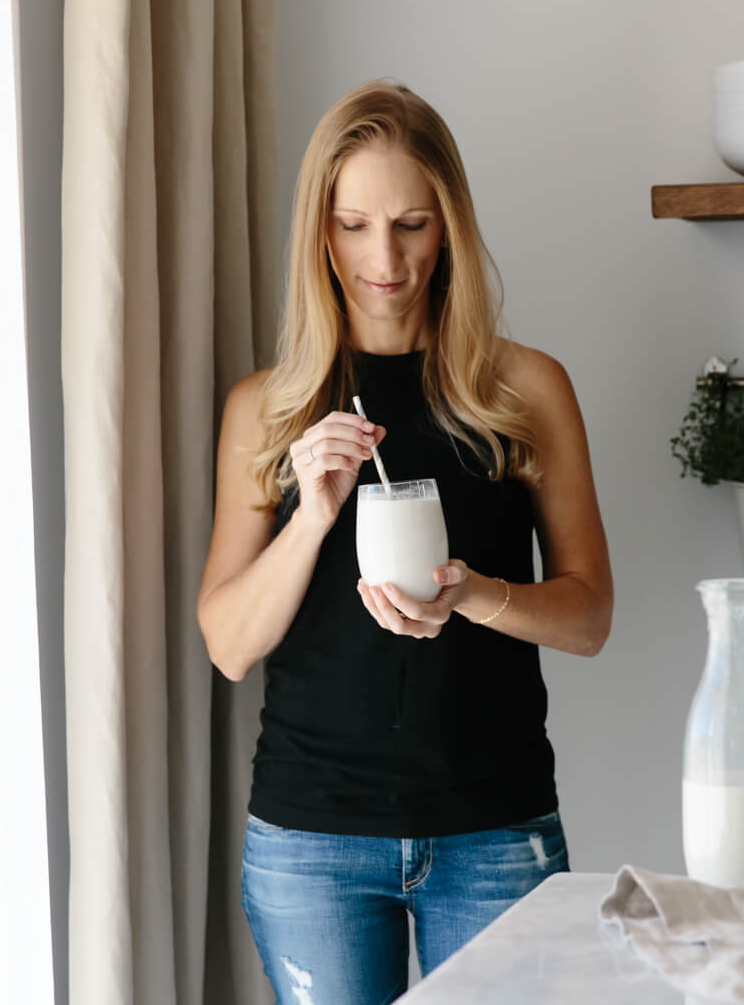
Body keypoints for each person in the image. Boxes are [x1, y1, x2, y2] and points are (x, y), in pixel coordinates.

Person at [196, 79, 613, 1004]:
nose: (383, 258)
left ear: (451, 226)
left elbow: (588, 617)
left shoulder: (525, 390)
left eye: (412, 224)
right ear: (319, 231)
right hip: (313, 843)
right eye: (352, 226)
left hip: (496, 831)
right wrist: (313, 514)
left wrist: (470, 593)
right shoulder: (267, 410)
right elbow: (228, 645)